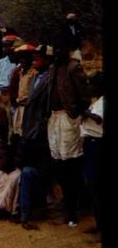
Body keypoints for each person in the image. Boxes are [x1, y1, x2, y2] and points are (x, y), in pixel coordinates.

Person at [47, 37, 90, 227]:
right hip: (54, 118)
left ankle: (74, 210)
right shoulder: (53, 68)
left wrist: (76, 114)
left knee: (70, 164)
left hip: (68, 118)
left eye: (60, 48)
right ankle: (69, 204)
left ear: (68, 50)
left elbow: (84, 95)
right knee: (58, 162)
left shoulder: (73, 67)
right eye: (55, 48)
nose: (56, 52)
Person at [15, 45, 54, 230]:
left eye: (38, 58)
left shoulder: (50, 78)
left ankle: (42, 200)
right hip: (30, 125)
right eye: (34, 57)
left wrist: (42, 125)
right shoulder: (35, 77)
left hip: (42, 127)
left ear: (47, 60)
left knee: (39, 166)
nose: (34, 60)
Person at [80, 71, 104, 243]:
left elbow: (98, 120)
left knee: (97, 188)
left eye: (91, 84)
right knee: (91, 186)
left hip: (98, 145)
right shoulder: (96, 101)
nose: (89, 87)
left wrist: (85, 113)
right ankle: (97, 224)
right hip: (90, 144)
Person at [0, 36, 18, 145]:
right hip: (1, 95)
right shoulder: (1, 62)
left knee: (12, 123)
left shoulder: (17, 64)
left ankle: (11, 146)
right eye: (4, 46)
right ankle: (1, 145)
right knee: (0, 122)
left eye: (7, 46)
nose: (5, 49)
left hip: (11, 95)